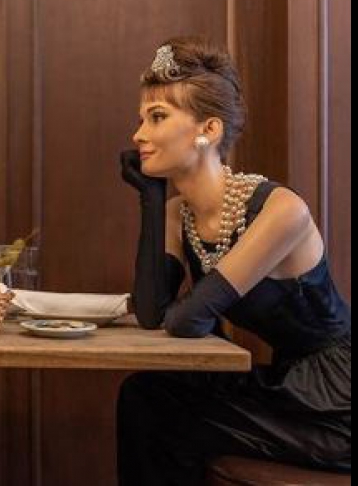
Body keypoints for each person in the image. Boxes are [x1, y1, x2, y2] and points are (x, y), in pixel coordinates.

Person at [117, 36, 351, 484]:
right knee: (145, 395)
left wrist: (183, 310)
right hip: (288, 387)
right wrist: (151, 198)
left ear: (209, 130)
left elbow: (188, 320)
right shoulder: (177, 213)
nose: (138, 135)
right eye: (141, 119)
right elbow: (152, 313)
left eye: (157, 117)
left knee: (155, 407)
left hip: (336, 400)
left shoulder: (280, 210)